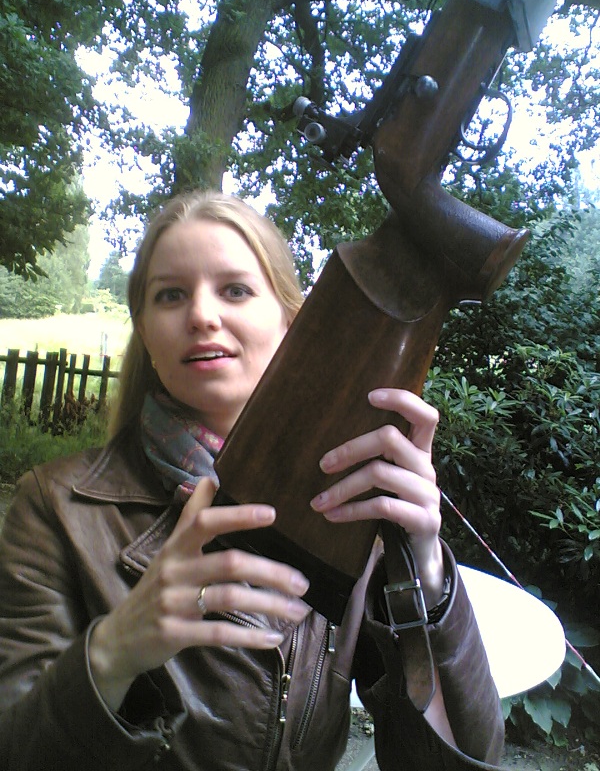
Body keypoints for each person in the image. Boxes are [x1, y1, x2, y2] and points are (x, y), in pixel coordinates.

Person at [0, 191, 504, 771]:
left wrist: (423, 568)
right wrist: (114, 652)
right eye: (170, 294)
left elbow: (459, 759)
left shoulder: (343, 510)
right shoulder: (55, 508)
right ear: (145, 329)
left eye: (235, 290)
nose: (201, 315)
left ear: (293, 320)